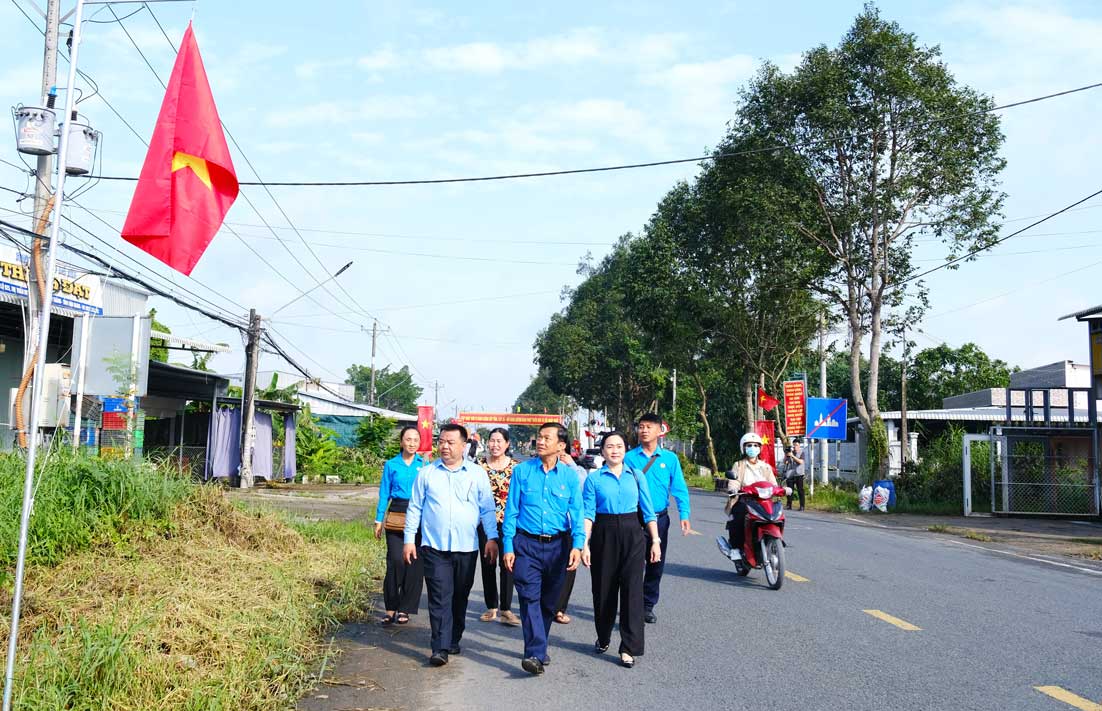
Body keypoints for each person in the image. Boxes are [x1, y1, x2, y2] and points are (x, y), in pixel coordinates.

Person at [403, 423, 498, 667]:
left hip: (467, 547)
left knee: (459, 596)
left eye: (450, 442)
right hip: (434, 547)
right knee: (439, 596)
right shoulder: (427, 473)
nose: (444, 446)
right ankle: (440, 646)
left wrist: (491, 539)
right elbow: (415, 507)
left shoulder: (476, 473)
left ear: (464, 446)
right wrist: (408, 540)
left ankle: (454, 636)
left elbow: (487, 509)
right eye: (441, 441)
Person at [502, 422, 586, 676]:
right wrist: (508, 545)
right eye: (539, 437)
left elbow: (577, 513)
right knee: (529, 598)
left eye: (546, 438)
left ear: (561, 445)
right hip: (526, 544)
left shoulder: (570, 476)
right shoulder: (522, 472)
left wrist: (578, 545)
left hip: (558, 546)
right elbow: (511, 512)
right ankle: (535, 653)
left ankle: (539, 645)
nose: (540, 441)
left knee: (549, 603)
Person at [581, 431, 662, 668]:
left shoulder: (636, 476)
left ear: (625, 450)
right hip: (603, 534)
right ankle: (603, 636)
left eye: (619, 446)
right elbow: (588, 514)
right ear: (602, 451)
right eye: (609, 446)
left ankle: (629, 647)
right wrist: (584, 544)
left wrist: (655, 540)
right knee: (604, 590)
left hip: (632, 534)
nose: (614, 450)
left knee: (632, 592)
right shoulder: (594, 479)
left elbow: (648, 512)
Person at [623, 412, 691, 624]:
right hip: (633, 517)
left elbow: (679, 487)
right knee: (631, 564)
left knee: (655, 562)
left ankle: (647, 605)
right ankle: (630, 604)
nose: (643, 430)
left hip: (660, 518)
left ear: (660, 431)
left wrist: (684, 513)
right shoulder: (629, 457)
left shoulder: (670, 459)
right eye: (641, 426)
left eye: (649, 427)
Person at [374, 425, 426, 625]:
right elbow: (384, 493)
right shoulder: (391, 465)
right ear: (401, 442)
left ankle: (405, 609)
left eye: (415, 440)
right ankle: (390, 607)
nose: (412, 443)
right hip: (396, 515)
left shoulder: (425, 465)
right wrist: (379, 520)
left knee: (413, 563)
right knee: (395, 560)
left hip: (420, 516)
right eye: (408, 439)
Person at [477, 428, 521, 626]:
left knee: (508, 564)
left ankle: (506, 608)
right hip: (484, 523)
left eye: (499, 441)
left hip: (509, 523)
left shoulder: (517, 468)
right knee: (488, 563)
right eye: (492, 441)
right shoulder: (478, 467)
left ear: (507, 444)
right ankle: (491, 606)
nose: (495, 445)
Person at [723, 432, 785, 561]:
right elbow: (734, 480)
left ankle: (774, 542)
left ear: (760, 448)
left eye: (756, 445)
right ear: (744, 448)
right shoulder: (739, 465)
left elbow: (773, 483)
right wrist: (733, 488)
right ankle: (735, 548)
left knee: (777, 516)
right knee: (738, 517)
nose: (753, 448)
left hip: (764, 500)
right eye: (749, 445)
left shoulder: (765, 466)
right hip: (745, 499)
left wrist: (782, 490)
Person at [783, 439, 806, 511]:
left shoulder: (802, 453)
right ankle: (789, 505)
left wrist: (792, 456)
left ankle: (802, 506)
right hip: (790, 474)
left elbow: (800, 462)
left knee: (800, 490)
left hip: (799, 474)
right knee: (789, 490)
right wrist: (786, 455)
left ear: (799, 446)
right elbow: (785, 462)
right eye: (794, 445)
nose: (795, 447)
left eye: (796, 445)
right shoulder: (791, 453)